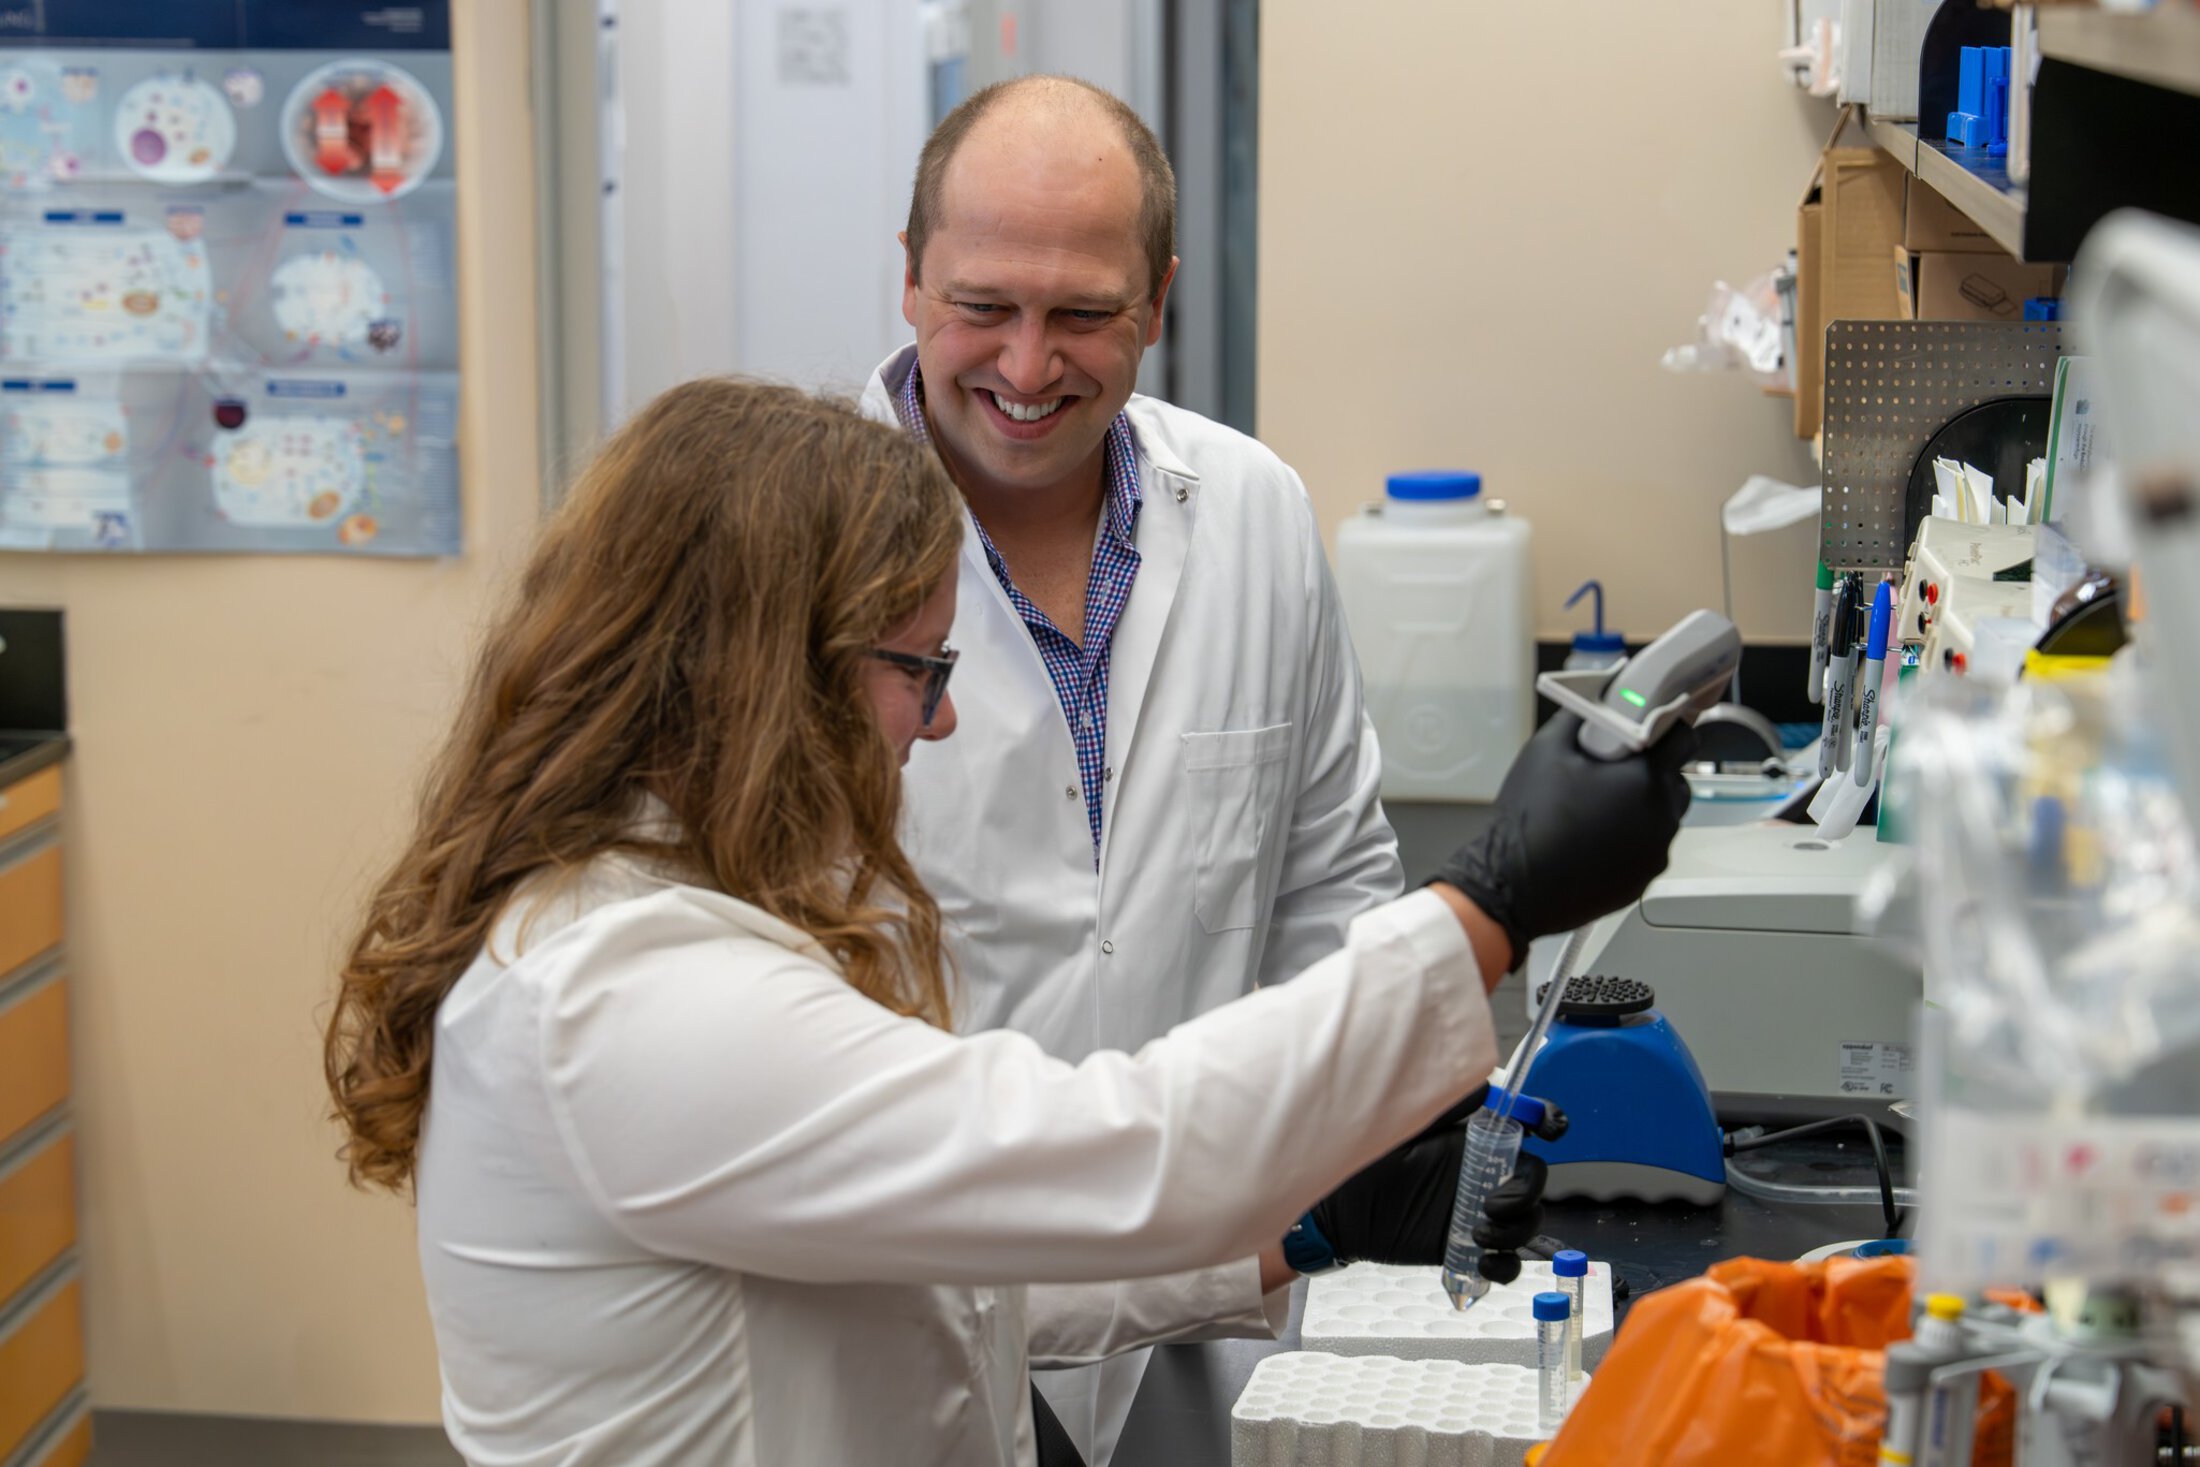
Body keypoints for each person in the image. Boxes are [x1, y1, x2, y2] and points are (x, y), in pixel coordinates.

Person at [323, 379, 1693, 1466]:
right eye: (918, 668)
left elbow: (954, 1274)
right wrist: (1491, 903)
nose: (944, 717)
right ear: (760, 676)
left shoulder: (679, 920)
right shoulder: (622, 1000)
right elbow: (1118, 1150)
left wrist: (1306, 1228)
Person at [864, 73, 1427, 1457]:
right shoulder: (794, 551)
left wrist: (1346, 1182)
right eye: (984, 306)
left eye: (1085, 314)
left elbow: (1330, 886)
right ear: (910, 280)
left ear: (1161, 301)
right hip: (902, 1319)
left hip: (1212, 1310)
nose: (1028, 364)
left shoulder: (1250, 509)